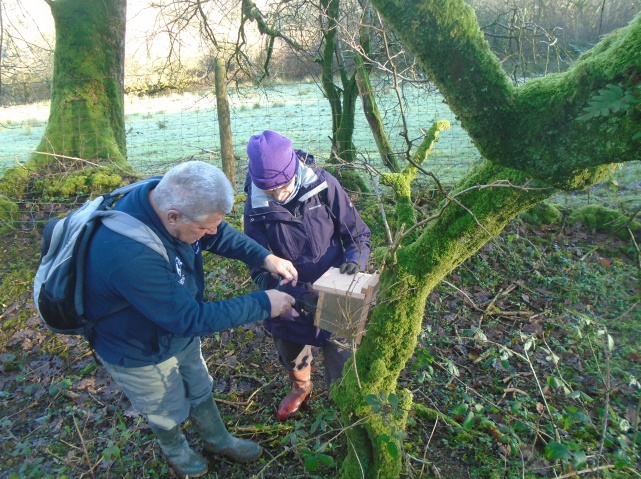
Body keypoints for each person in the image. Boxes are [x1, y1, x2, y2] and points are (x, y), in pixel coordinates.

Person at [83, 161, 298, 478]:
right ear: (173, 217)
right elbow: (188, 317)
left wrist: (264, 257)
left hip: (173, 326)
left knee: (199, 385)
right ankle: (177, 452)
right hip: (136, 345)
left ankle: (217, 439)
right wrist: (264, 303)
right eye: (204, 228)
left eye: (214, 224)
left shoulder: (169, 202)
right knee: (164, 406)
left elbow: (217, 234)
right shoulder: (127, 252)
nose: (211, 233)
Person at [243, 130, 371, 421]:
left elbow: (358, 234)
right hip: (289, 297)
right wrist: (292, 295)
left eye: (283, 186)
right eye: (269, 190)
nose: (278, 195)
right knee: (291, 348)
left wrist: (355, 261)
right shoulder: (255, 207)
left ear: (294, 170)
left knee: (342, 352)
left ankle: (344, 406)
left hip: (336, 291)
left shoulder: (323, 185)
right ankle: (301, 386)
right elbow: (256, 263)